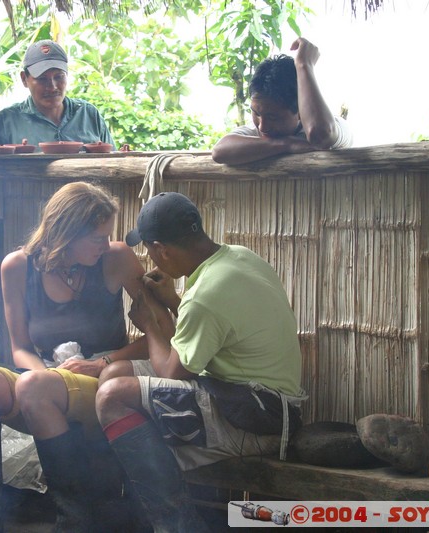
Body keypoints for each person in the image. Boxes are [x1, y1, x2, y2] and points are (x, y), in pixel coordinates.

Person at [95, 192, 306, 532]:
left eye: (149, 249)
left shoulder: (205, 296)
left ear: (162, 250)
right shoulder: (238, 257)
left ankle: (176, 525)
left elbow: (171, 371)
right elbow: (213, 329)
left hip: (257, 416)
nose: (150, 258)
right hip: (247, 398)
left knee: (112, 396)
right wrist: (173, 301)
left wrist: (150, 325)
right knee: (114, 372)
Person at [0, 182, 152, 532]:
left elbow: (160, 335)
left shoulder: (116, 258)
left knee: (35, 387)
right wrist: (47, 376)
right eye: (97, 238)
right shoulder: (17, 266)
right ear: (65, 233)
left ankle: (74, 519)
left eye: (107, 236)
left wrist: (103, 363)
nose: (105, 244)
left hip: (102, 379)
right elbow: (20, 347)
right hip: (44, 377)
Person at [212, 37, 352, 165]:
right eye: (256, 113)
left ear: (299, 112)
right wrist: (287, 144)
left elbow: (321, 136)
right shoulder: (258, 131)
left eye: (273, 117)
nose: (262, 127)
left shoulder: (335, 126)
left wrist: (304, 65)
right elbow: (219, 151)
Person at [0, 39, 116, 149]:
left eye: (59, 77)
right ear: (24, 79)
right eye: (42, 79)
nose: (52, 87)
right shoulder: (5, 122)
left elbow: (113, 161)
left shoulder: (88, 114)